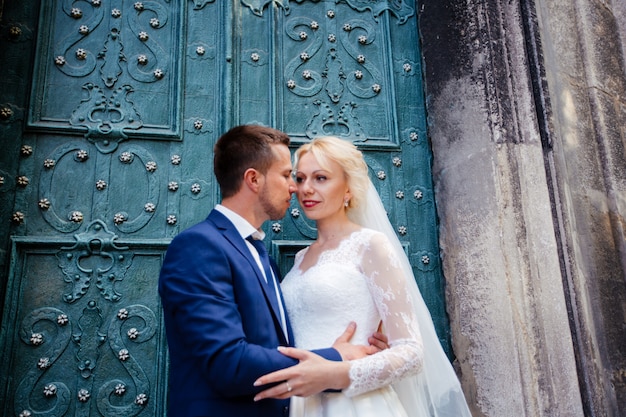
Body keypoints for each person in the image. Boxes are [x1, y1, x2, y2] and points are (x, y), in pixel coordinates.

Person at [158, 125, 387, 417]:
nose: (296, 187)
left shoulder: (262, 255)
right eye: (286, 175)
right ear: (253, 179)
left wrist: (373, 339)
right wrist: (336, 358)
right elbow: (229, 362)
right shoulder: (198, 247)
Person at [253, 136, 472, 417]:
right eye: (301, 178)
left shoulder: (371, 245)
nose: (306, 188)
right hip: (300, 404)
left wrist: (338, 373)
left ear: (348, 189)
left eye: (321, 178)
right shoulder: (299, 258)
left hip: (356, 405)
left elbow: (411, 353)